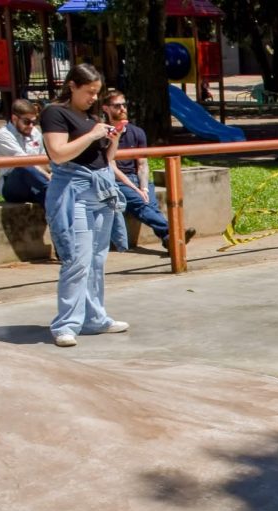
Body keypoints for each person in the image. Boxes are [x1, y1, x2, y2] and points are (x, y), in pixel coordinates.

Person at [41, 63, 129, 347]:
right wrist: (92, 134)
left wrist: (113, 139)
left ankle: (94, 318)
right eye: (89, 91)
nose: (93, 98)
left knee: (96, 260)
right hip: (74, 192)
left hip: (100, 190)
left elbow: (106, 159)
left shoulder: (91, 116)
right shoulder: (55, 113)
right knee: (77, 260)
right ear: (72, 86)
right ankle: (66, 324)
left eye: (97, 92)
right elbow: (58, 154)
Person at [101, 89, 192, 250]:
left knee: (149, 203)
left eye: (124, 105)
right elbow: (111, 166)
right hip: (116, 181)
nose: (122, 109)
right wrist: (136, 189)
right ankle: (175, 233)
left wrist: (143, 187)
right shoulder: (104, 134)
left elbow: (142, 164)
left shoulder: (137, 132)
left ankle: (168, 239)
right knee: (141, 204)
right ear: (106, 108)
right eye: (117, 106)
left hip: (136, 178)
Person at [0, 99, 50, 205]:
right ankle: (51, 188)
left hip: (37, 181)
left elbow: (44, 160)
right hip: (13, 185)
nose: (31, 126)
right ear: (14, 119)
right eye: (27, 122)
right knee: (23, 166)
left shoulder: (35, 132)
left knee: (50, 198)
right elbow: (24, 161)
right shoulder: (2, 135)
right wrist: (48, 177)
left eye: (34, 122)